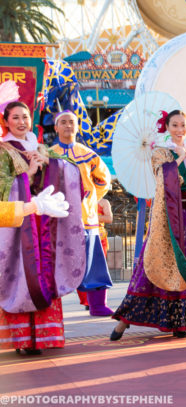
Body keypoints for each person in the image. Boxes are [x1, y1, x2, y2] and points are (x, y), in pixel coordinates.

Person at [110, 110, 186, 340]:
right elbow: (163, 179)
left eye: (183, 125)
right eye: (175, 125)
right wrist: (179, 158)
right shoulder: (159, 153)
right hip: (167, 219)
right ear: (167, 127)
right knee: (153, 267)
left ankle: (182, 322)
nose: (179, 130)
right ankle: (124, 321)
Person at [0, 102, 86, 355]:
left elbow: (70, 171)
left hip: (45, 226)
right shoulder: (3, 151)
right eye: (15, 117)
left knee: (46, 271)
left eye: (25, 116)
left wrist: (52, 165)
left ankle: (47, 335)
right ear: (6, 122)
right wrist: (27, 174)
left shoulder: (41, 148)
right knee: (21, 277)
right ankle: (24, 340)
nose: (21, 121)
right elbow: (2, 188)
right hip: (17, 228)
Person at [50, 110, 114, 317]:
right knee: (53, 263)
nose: (68, 126)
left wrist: (89, 198)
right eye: (64, 122)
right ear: (56, 127)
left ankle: (97, 305)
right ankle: (49, 308)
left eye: (72, 122)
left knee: (93, 262)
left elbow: (104, 180)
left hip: (86, 218)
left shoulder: (88, 154)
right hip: (57, 219)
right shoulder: (48, 154)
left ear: (77, 127)